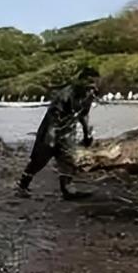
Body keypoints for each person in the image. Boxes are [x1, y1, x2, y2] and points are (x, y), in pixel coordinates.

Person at [17, 66, 99, 199]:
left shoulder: (89, 95)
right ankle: (22, 186)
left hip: (68, 131)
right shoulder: (65, 94)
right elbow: (53, 115)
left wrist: (86, 133)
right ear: (80, 81)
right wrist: (51, 135)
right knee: (40, 159)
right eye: (89, 83)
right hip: (51, 128)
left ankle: (67, 189)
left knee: (68, 158)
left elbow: (84, 114)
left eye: (95, 83)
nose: (93, 87)